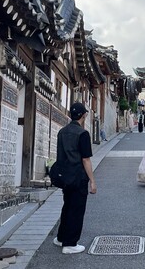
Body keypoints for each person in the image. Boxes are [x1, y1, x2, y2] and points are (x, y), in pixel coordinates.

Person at [54, 102, 97, 254]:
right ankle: (70, 243)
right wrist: (92, 181)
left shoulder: (62, 132)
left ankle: (61, 238)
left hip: (65, 176)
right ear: (83, 115)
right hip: (78, 176)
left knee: (67, 206)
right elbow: (86, 159)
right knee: (76, 209)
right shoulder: (83, 134)